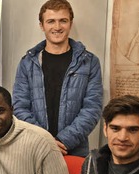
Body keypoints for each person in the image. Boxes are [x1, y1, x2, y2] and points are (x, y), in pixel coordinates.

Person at [12, 0, 103, 157]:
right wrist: (45, 141)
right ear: (42, 25)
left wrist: (64, 141)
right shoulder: (27, 63)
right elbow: (20, 107)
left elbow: (92, 108)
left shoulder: (89, 62)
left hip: (73, 150)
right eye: (51, 21)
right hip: (35, 149)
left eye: (63, 21)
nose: (57, 27)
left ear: (70, 23)